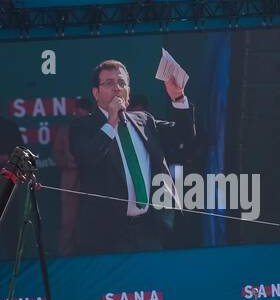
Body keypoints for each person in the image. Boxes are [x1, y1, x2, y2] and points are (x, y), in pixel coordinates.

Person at [68, 59, 197, 254]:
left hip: (149, 228)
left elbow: (184, 136)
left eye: (121, 82)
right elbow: (87, 158)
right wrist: (111, 120)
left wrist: (178, 98)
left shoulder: (144, 120)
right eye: (109, 83)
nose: (117, 88)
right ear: (96, 93)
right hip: (108, 234)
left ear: (129, 90)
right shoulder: (83, 127)